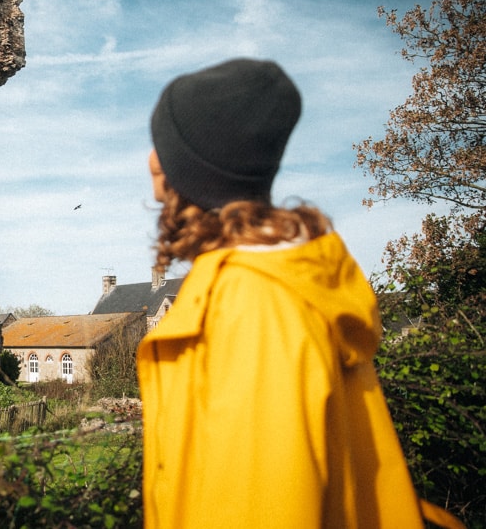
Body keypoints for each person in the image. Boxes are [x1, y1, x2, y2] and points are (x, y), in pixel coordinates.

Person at [136, 59, 464, 528]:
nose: (150, 159)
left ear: (188, 170)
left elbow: (269, 506)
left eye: (163, 146)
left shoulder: (254, 302)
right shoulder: (273, 281)